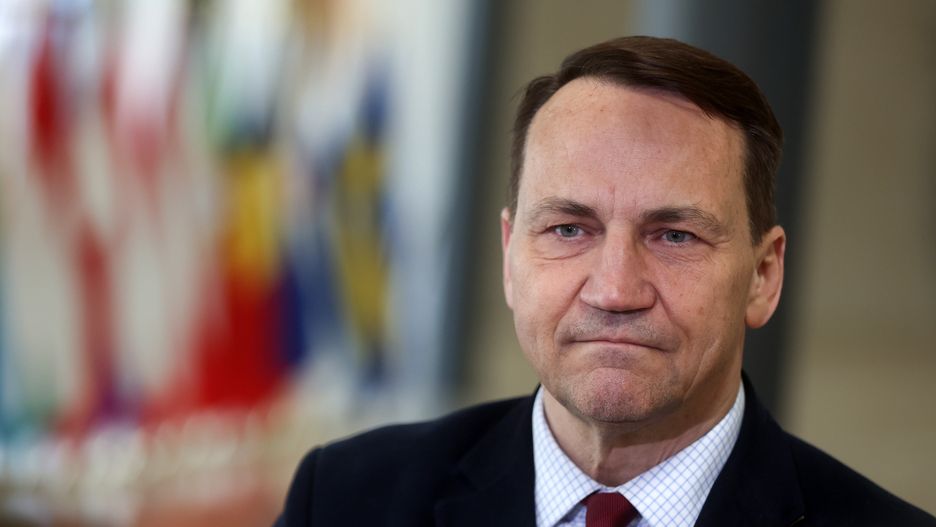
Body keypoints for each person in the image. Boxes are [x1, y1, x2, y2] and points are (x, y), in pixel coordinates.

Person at [274, 36, 935, 526]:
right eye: (569, 229)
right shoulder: (342, 499)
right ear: (510, 256)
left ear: (763, 276)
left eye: (675, 235)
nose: (615, 291)